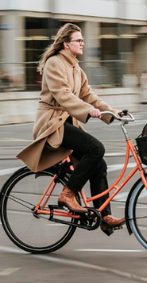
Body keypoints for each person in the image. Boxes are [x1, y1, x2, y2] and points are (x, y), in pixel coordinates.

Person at [17, 23, 125, 234]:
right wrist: (88, 110)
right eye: (78, 40)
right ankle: (68, 194)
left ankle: (104, 216)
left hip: (66, 123)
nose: (82, 43)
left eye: (83, 40)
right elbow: (64, 96)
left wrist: (112, 112)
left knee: (99, 165)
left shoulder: (76, 67)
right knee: (96, 148)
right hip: (52, 123)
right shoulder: (54, 63)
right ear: (66, 44)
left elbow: (88, 96)